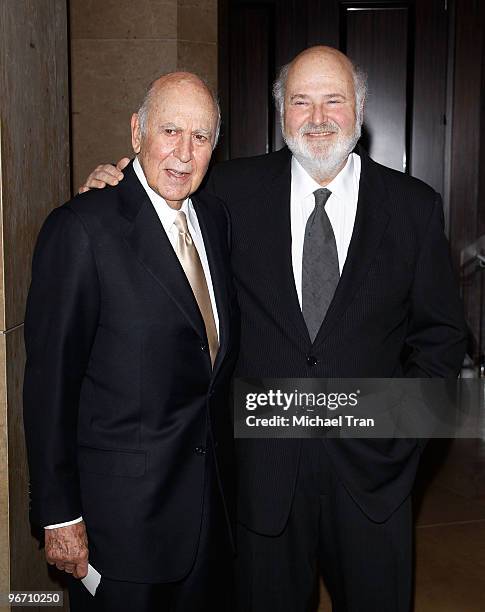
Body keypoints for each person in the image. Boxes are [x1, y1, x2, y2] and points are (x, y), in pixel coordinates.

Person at [80, 46, 467, 612]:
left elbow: (441, 341)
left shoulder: (412, 207)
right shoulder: (227, 193)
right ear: (280, 111)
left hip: (371, 486)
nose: (316, 117)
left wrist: (396, 444)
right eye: (300, 101)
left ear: (360, 110)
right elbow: (158, 198)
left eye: (333, 100)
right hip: (261, 482)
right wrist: (113, 188)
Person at [23, 72, 239, 612]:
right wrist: (58, 514)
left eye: (202, 136)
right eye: (170, 131)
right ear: (137, 130)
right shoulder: (80, 229)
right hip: (119, 530)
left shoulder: (214, 219)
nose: (185, 154)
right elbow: (49, 387)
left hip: (210, 520)